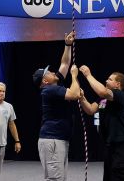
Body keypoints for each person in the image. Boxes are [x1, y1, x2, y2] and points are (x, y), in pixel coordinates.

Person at [32, 31, 81, 181]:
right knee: (55, 179)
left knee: (59, 178)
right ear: (45, 81)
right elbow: (75, 94)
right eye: (48, 72)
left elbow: (65, 64)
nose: (52, 71)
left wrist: (67, 45)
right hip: (53, 140)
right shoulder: (50, 89)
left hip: (57, 139)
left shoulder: (53, 85)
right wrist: (74, 76)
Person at [79, 65, 124, 181]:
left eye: (110, 79)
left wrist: (88, 75)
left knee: (119, 177)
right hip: (110, 146)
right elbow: (90, 109)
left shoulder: (120, 95)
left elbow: (103, 92)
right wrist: (82, 97)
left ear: (118, 84)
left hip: (122, 147)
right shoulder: (103, 99)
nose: (106, 80)